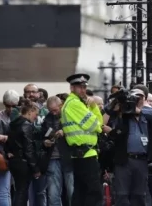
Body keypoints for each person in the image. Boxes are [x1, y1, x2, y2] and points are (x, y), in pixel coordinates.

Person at [106, 86, 152, 206]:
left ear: (145, 99)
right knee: (121, 195)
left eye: (140, 96)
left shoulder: (148, 113)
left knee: (139, 195)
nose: (137, 99)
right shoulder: (124, 111)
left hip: (141, 160)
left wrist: (139, 110)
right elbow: (108, 110)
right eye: (134, 96)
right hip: (124, 160)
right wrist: (119, 101)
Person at [62, 73, 108, 206]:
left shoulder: (75, 103)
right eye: (79, 87)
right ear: (72, 88)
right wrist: (94, 108)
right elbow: (97, 126)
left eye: (84, 87)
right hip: (86, 154)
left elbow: (98, 124)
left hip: (81, 153)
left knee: (81, 193)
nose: (83, 90)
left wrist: (93, 109)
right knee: (94, 193)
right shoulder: (75, 103)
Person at [6, 100, 41, 206]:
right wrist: (35, 168)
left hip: (14, 161)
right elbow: (28, 149)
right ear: (30, 111)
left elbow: (8, 142)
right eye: (36, 114)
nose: (36, 117)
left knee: (19, 190)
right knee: (22, 192)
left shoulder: (13, 124)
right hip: (23, 162)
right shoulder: (26, 125)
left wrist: (8, 152)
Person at [41, 96, 74, 206]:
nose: (54, 113)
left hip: (69, 156)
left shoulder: (70, 114)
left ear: (61, 105)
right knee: (53, 192)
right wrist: (45, 141)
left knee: (71, 191)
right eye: (51, 111)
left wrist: (65, 131)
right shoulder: (48, 118)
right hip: (53, 157)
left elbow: (79, 131)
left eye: (55, 110)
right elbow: (44, 134)